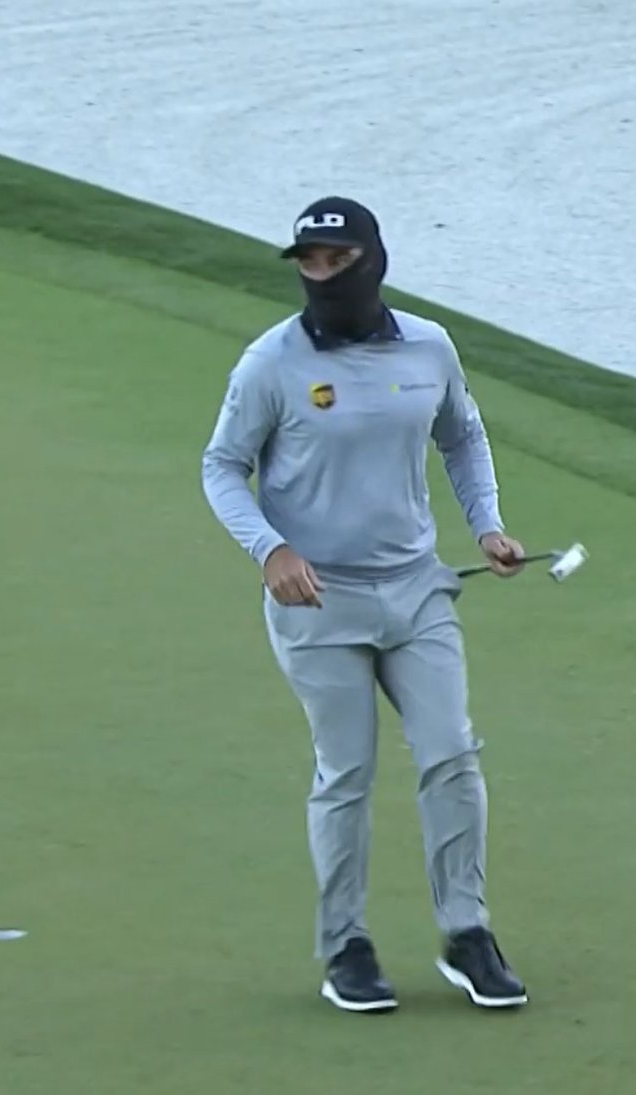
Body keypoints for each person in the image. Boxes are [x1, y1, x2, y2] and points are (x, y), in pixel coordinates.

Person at [200, 195, 529, 1014]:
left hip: (417, 588)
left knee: (451, 754)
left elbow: (462, 435)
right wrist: (270, 550)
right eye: (309, 262)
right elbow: (222, 466)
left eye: (337, 260)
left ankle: (468, 934)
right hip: (319, 599)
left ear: (372, 261)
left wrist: (487, 525)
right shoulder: (271, 363)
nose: (321, 274)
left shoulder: (429, 347)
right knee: (347, 772)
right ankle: (345, 945)